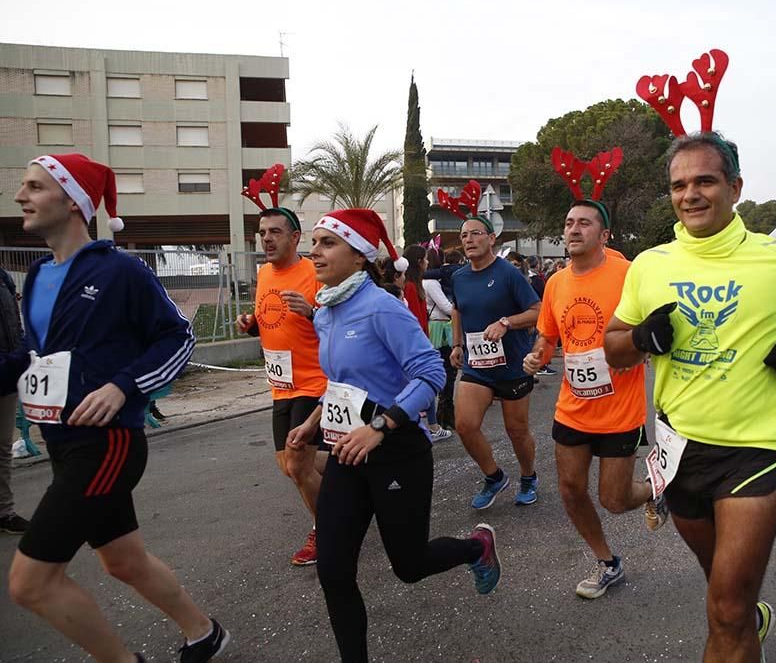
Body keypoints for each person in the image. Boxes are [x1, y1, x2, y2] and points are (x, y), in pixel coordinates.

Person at [604, 130, 776, 662]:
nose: (690, 194)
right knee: (727, 594)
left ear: (735, 187)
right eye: (679, 185)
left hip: (757, 449)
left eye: (705, 181)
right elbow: (613, 348)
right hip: (680, 452)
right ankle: (745, 620)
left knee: (724, 610)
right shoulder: (650, 265)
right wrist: (640, 338)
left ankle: (739, 620)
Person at [3, 153, 228, 662]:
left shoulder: (120, 270)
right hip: (61, 440)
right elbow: (37, 356)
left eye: (35, 187)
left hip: (107, 443)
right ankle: (204, 632)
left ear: (74, 201)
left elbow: (178, 336)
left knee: (30, 582)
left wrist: (124, 387)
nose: (21, 196)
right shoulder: (36, 276)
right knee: (124, 562)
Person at [286, 209, 500, 662]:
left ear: (359, 255)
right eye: (315, 242)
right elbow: (343, 381)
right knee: (333, 569)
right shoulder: (327, 310)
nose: (315, 252)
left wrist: (380, 428)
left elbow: (429, 375)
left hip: (397, 450)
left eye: (328, 243)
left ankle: (476, 547)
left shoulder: (382, 307)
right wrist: (311, 423)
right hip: (348, 451)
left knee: (409, 566)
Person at [523, 194, 666, 600]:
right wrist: (538, 355)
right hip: (573, 405)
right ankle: (608, 563)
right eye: (569, 222)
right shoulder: (555, 282)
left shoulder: (628, 273)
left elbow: (659, 322)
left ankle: (655, 489)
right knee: (570, 489)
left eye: (584, 223)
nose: (573, 229)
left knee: (615, 500)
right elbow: (549, 334)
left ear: (604, 234)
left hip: (620, 410)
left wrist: (636, 350)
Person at [236, 173, 328, 566]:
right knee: (291, 467)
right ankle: (353, 481)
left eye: (275, 232)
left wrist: (313, 311)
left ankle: (327, 531)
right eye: (261, 232)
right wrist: (252, 322)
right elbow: (270, 316)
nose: (266, 239)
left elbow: (339, 323)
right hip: (280, 384)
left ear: (295, 237)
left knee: (296, 463)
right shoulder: (263, 274)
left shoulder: (315, 273)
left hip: (314, 381)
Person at [448, 207, 542, 509]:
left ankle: (528, 476)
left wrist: (506, 323)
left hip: (512, 366)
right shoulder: (459, 277)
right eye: (464, 235)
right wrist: (457, 345)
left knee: (516, 431)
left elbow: (537, 312)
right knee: (464, 424)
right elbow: (457, 310)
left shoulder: (508, 273)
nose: (469, 239)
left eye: (476, 233)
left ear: (491, 238)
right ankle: (494, 476)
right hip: (477, 366)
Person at [402, 244, 451, 441]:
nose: (428, 262)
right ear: (419, 261)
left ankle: (431, 425)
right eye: (425, 258)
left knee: (423, 384)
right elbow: (415, 318)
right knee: (426, 383)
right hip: (417, 344)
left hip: (421, 340)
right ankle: (431, 426)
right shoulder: (412, 286)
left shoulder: (416, 284)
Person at [0, 265, 29, 534]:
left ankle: (4, 512)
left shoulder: (3, 277)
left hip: (7, 376)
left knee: (3, 448)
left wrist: (21, 353)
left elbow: (15, 323)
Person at [424, 248, 458, 431]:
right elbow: (446, 307)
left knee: (441, 368)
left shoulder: (423, 281)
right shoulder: (432, 283)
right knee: (448, 370)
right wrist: (458, 308)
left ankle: (443, 412)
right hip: (442, 328)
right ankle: (444, 413)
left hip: (433, 326)